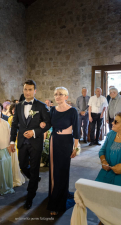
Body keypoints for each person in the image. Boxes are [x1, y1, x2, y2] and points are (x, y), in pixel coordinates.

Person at [8, 80, 51, 210]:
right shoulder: (19, 106)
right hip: (21, 142)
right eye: (26, 89)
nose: (27, 92)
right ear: (23, 90)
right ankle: (34, 178)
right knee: (22, 166)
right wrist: (11, 141)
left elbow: (48, 123)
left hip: (35, 142)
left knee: (34, 168)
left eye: (30, 89)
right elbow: (15, 124)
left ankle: (30, 196)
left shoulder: (41, 106)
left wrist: (34, 132)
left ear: (35, 91)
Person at [41, 87, 79, 215]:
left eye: (61, 94)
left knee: (63, 171)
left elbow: (77, 130)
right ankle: (54, 199)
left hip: (66, 143)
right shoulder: (52, 110)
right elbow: (48, 125)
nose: (57, 96)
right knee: (54, 171)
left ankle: (60, 199)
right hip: (54, 141)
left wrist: (76, 146)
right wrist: (42, 125)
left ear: (66, 97)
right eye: (56, 94)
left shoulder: (73, 111)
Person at [7, 103, 26, 187]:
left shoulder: (20, 118)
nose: (14, 111)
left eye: (16, 109)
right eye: (13, 109)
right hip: (13, 136)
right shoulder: (10, 118)